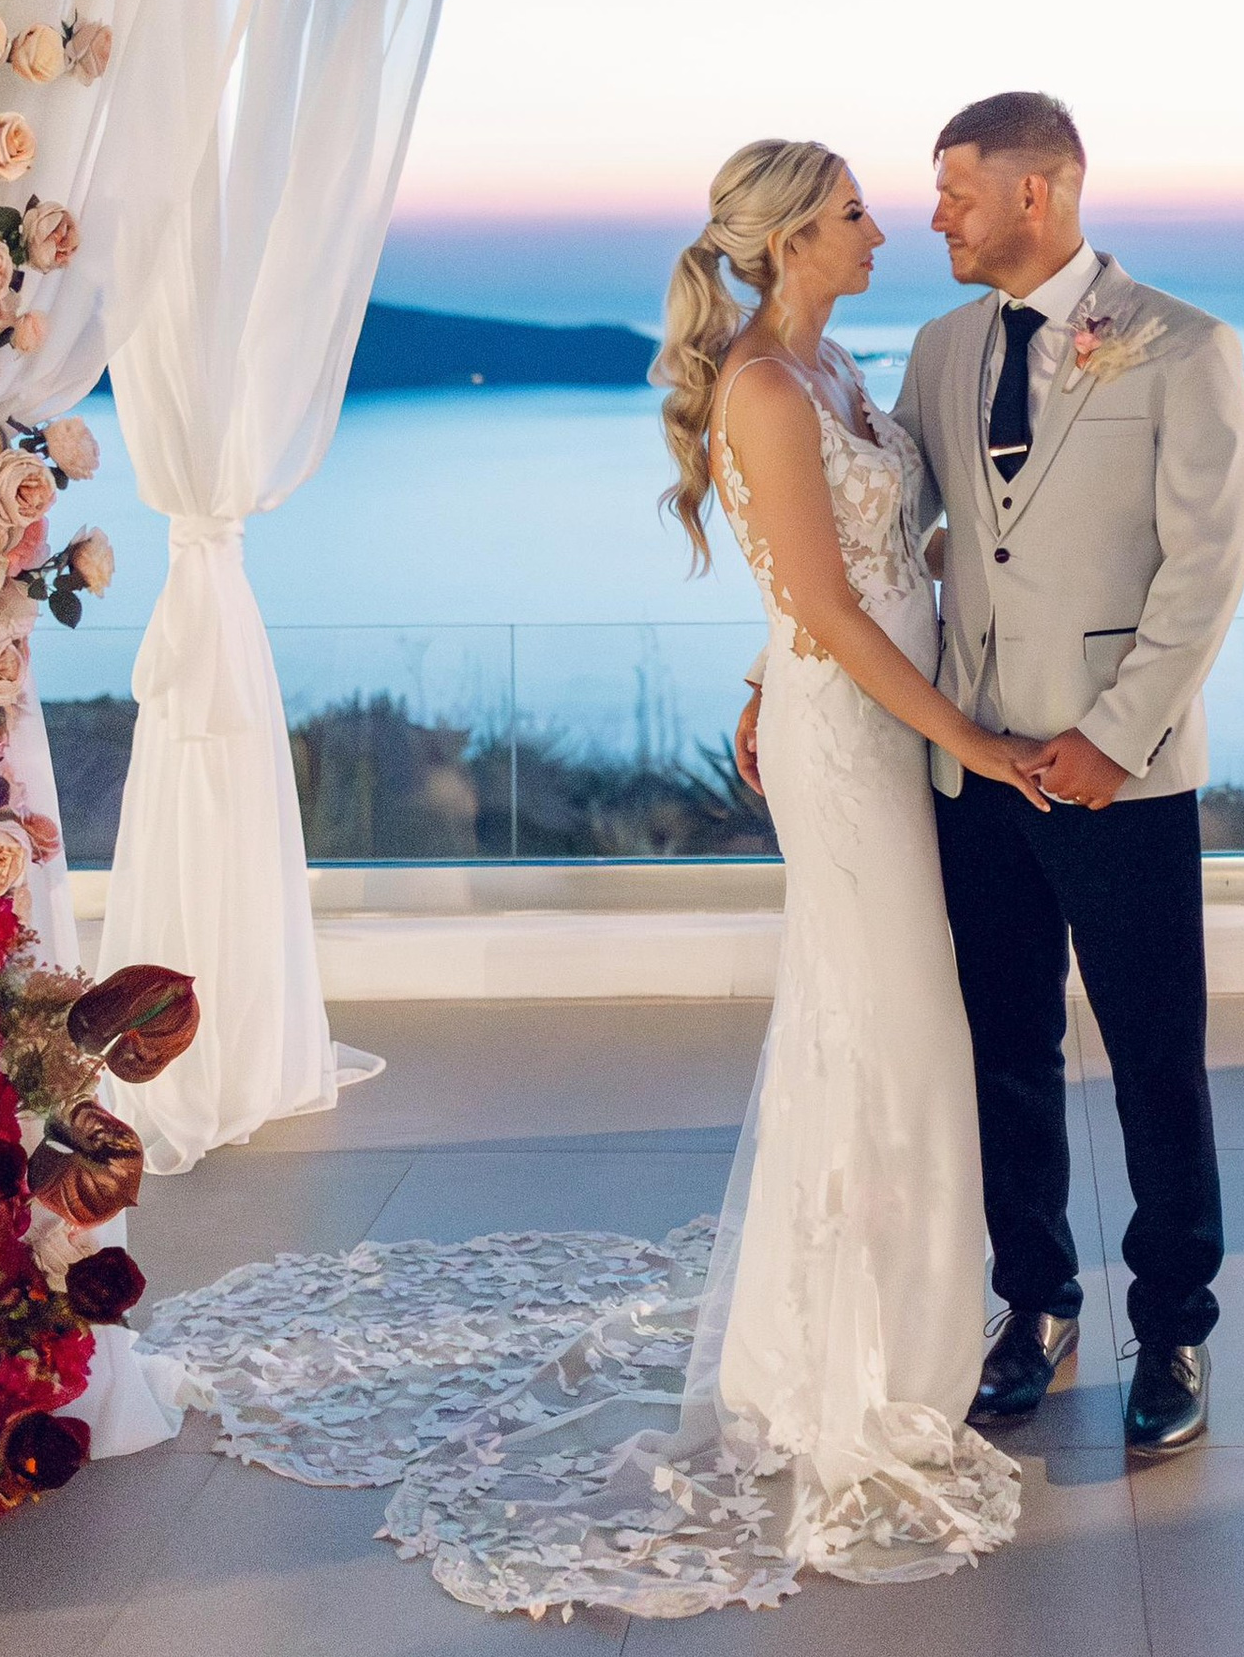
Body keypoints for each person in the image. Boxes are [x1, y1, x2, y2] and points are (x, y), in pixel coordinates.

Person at [145, 140, 1033, 1623]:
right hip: (859, 742)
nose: (884, 229)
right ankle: (840, 1371)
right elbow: (821, 597)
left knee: (891, 1019)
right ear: (792, 239)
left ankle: (896, 1335)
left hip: (865, 717)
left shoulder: (834, 371)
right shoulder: (760, 386)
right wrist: (978, 742)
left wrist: (797, 665)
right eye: (858, 213)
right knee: (883, 1019)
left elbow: (849, 575)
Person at [741, 92, 1244, 1456]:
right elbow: (872, 538)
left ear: (1041, 191)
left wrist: (1115, 733)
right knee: (1006, 1056)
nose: (935, 215)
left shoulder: (1185, 347)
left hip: (1119, 775)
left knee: (1156, 1059)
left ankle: (1177, 1329)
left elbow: (1206, 571)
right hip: (967, 776)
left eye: (957, 188)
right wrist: (766, 674)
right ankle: (1033, 1303)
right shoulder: (938, 345)